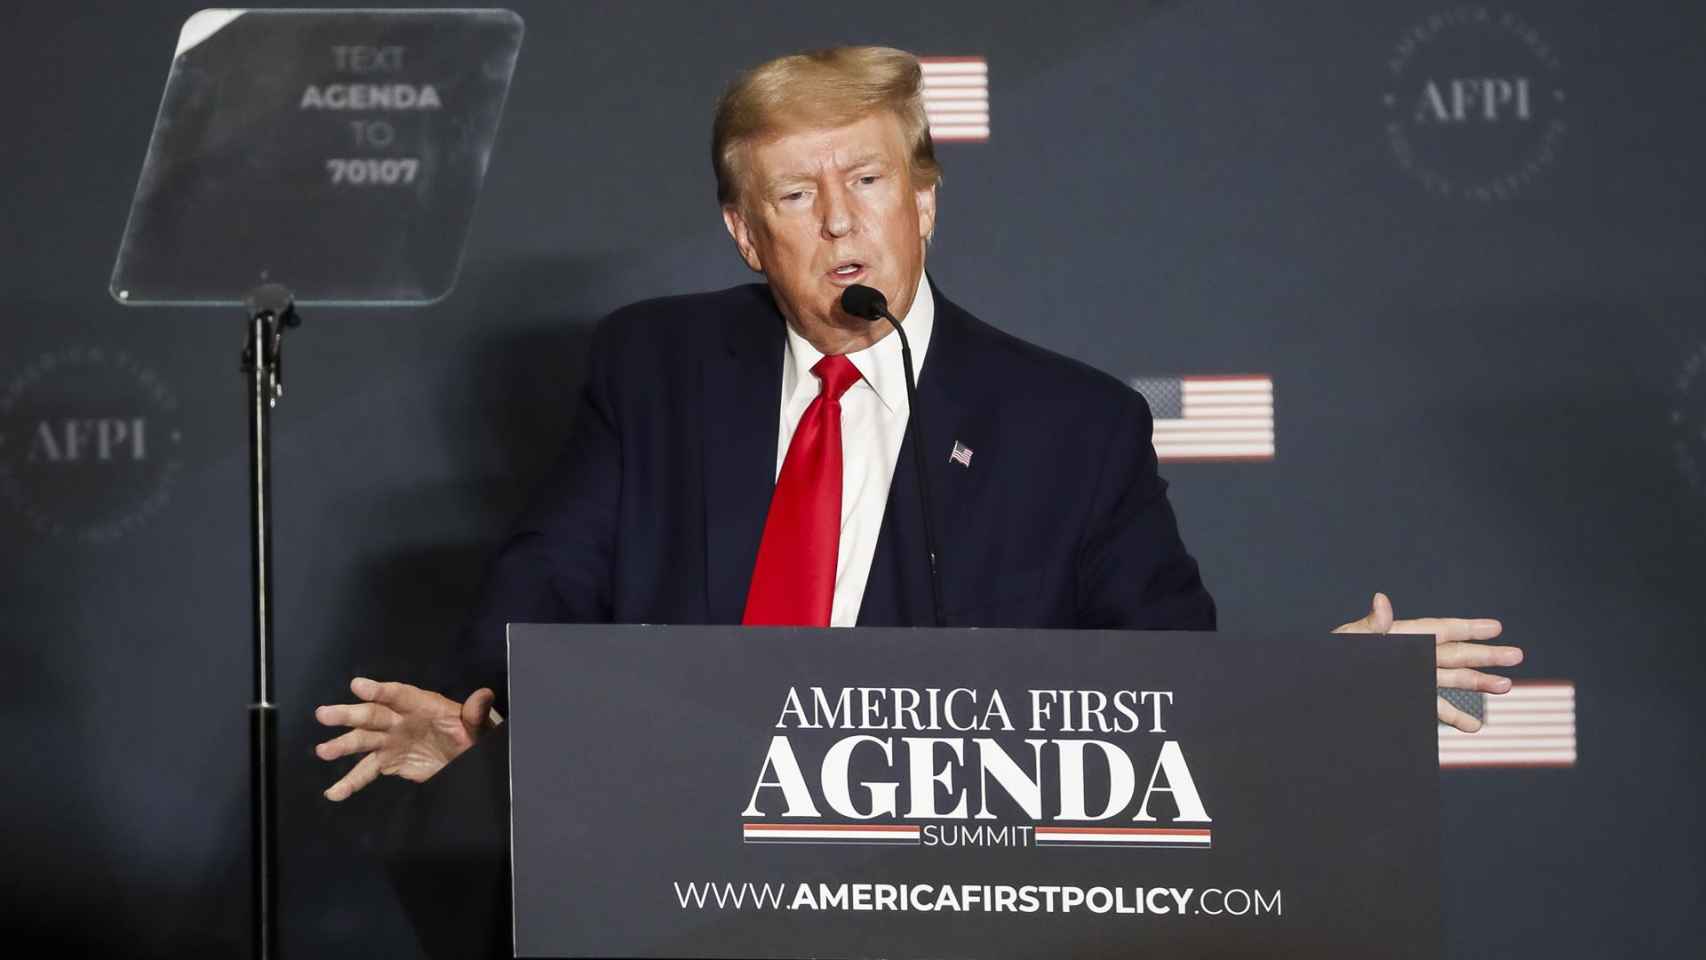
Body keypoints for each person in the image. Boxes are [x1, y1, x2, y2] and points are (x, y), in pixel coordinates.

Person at [315, 46, 1521, 802]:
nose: (840, 225)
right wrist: (479, 702)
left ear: (925, 200)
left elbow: (1161, 679)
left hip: (957, 894)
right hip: (670, 860)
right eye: (797, 194)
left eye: (870, 182)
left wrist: (1324, 695)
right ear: (746, 234)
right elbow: (549, 575)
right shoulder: (657, 364)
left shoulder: (1072, 424)